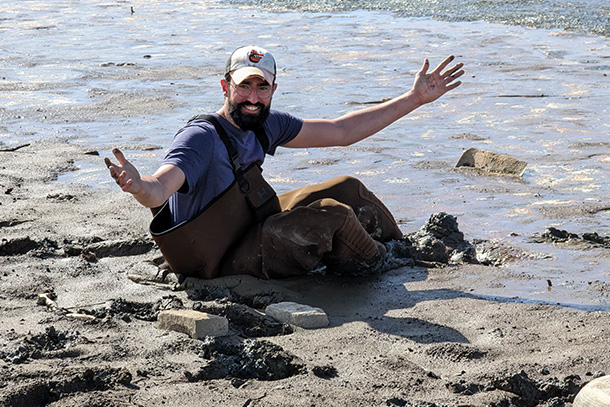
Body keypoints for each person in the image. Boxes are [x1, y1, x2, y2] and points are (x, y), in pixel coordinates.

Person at [105, 45, 464, 280]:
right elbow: (160, 188)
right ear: (225, 86)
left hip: (250, 227)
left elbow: (342, 130)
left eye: (262, 88)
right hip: (213, 260)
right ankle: (381, 264)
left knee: (348, 189)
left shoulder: (267, 123)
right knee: (334, 214)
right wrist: (138, 186)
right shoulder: (200, 138)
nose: (253, 97)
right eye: (244, 87)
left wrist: (415, 98)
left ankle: (403, 250)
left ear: (274, 90)